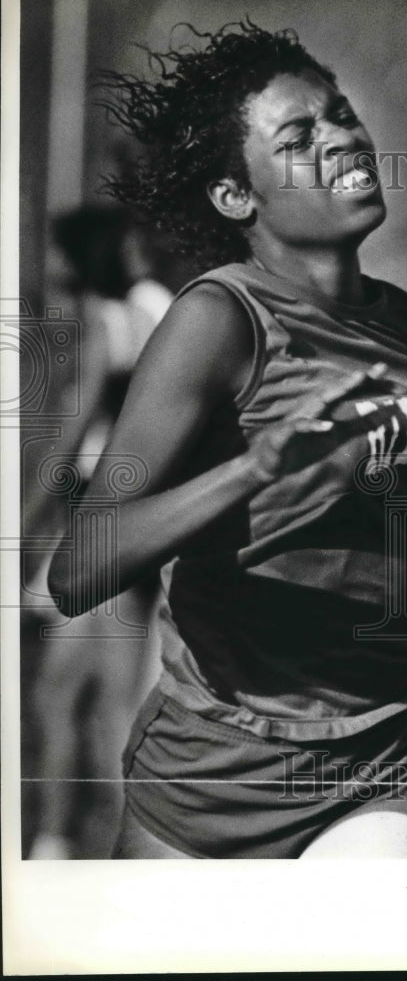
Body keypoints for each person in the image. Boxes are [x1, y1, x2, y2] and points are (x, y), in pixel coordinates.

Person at [49, 21, 407, 859]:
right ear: (238, 197)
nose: (341, 136)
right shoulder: (216, 320)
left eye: (340, 113)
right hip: (213, 779)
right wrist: (253, 471)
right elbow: (78, 570)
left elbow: (400, 531)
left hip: (390, 756)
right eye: (298, 135)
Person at [26, 205, 172, 858]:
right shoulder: (155, 310)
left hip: (98, 528)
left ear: (77, 257)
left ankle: (69, 846)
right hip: (135, 528)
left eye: (56, 250)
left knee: (70, 700)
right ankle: (86, 845)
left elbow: (66, 447)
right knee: (100, 700)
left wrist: (22, 528)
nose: (47, 263)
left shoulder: (103, 321)